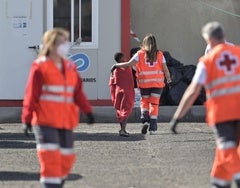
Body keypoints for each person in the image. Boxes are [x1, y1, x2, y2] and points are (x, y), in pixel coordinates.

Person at [169, 21, 240, 188]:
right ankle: (219, 181)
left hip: (221, 112)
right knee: (228, 146)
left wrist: (177, 117)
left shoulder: (207, 60)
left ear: (209, 40)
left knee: (226, 145)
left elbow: (193, 90)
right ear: (224, 36)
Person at [21, 28, 95, 188]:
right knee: (51, 159)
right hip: (45, 122)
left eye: (66, 42)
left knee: (66, 159)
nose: (65, 45)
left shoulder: (70, 66)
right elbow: (31, 95)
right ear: (51, 44)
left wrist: (87, 110)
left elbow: (77, 92)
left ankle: (56, 183)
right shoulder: (40, 66)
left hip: (66, 121)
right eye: (62, 42)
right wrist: (26, 118)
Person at [111, 34, 172, 135]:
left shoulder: (139, 54)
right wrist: (169, 80)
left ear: (145, 43)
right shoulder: (160, 54)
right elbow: (165, 69)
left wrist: (116, 65)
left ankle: (145, 120)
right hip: (157, 84)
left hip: (144, 84)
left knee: (144, 102)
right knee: (154, 104)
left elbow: (128, 64)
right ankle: (153, 128)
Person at [109, 52, 135, 137]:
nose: (126, 59)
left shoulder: (115, 70)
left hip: (118, 91)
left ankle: (122, 129)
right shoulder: (127, 67)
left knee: (120, 111)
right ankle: (123, 130)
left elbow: (111, 83)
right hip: (127, 91)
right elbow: (129, 64)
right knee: (126, 110)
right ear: (121, 59)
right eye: (124, 57)